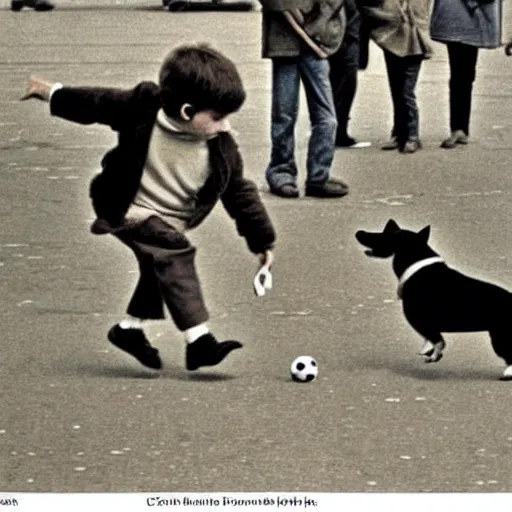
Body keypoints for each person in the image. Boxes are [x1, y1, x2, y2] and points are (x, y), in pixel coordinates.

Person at [21, 44, 276, 372]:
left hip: (171, 218)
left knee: (157, 269)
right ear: (186, 111)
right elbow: (97, 103)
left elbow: (239, 193)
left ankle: (129, 330)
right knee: (173, 252)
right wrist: (51, 93)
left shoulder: (222, 148)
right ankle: (200, 341)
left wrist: (262, 241)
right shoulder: (142, 108)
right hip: (127, 208)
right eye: (217, 117)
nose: (226, 126)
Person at [259, 0, 350, 198]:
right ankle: (281, 172)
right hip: (284, 42)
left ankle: (318, 177)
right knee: (284, 114)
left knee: (327, 118)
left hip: (316, 42)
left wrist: (317, 30)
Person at [359, 0, 433, 153]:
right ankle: (398, 132)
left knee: (406, 91)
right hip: (392, 38)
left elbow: (420, 14)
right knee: (396, 88)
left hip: (415, 40)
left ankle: (413, 135)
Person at [430, 0, 502, 148]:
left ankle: (460, 128)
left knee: (463, 75)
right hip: (463, 18)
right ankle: (459, 128)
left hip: (469, 18)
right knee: (462, 75)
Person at [328, 0, 372, 149]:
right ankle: (338, 131)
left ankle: (331, 128)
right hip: (346, 33)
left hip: (337, 31)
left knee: (334, 80)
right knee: (346, 81)